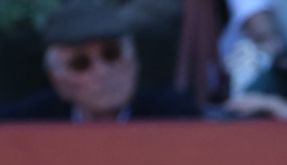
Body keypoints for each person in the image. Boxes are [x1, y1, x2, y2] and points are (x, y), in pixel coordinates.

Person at [0, 0, 199, 119]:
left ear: (134, 62)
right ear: (57, 79)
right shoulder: (26, 124)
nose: (102, 71)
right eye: (80, 63)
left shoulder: (177, 116)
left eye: (112, 55)